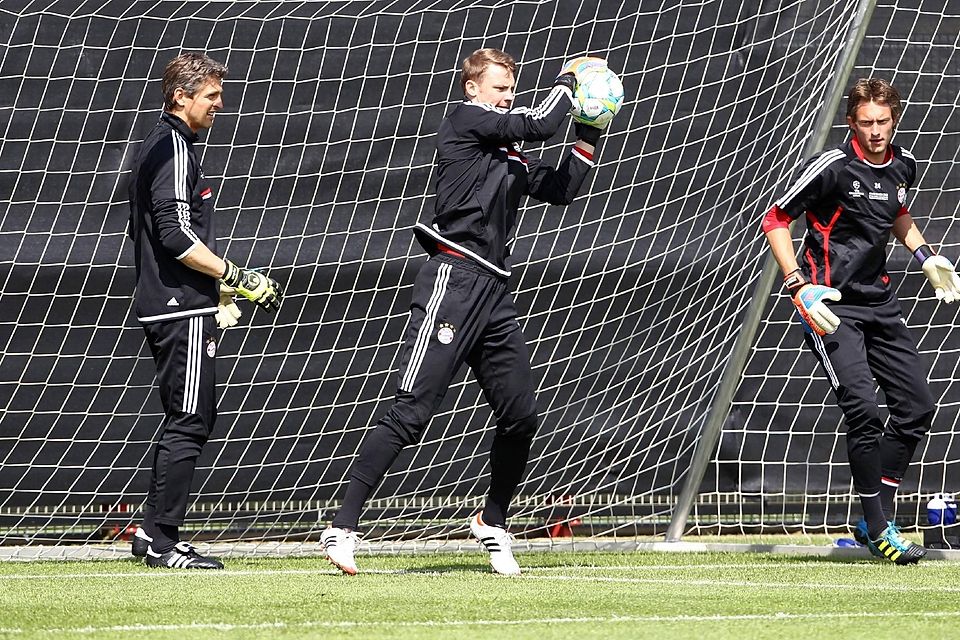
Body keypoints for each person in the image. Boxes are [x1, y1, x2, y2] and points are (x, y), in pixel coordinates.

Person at [320, 49, 614, 576]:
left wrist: (591, 131)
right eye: (499, 87)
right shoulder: (464, 120)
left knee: (521, 413)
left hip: (494, 292)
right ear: (474, 90)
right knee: (412, 410)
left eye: (510, 88)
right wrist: (573, 78)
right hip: (453, 278)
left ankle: (492, 521)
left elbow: (563, 188)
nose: (507, 96)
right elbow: (543, 122)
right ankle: (342, 526)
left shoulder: (508, 151)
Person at [762, 78, 960, 565]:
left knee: (916, 407)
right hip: (828, 305)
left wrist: (926, 254)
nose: (876, 131)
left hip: (880, 303)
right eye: (867, 122)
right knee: (864, 412)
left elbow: (897, 213)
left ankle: (875, 517)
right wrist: (797, 283)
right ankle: (880, 528)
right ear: (852, 122)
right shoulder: (832, 166)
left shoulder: (903, 164)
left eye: (884, 121)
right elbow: (775, 219)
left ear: (894, 120)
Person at [126, 52, 284, 569]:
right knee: (191, 419)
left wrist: (215, 289)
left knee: (185, 418)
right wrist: (234, 278)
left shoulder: (172, 144)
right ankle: (162, 541)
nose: (220, 103)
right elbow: (174, 234)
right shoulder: (171, 146)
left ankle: (154, 533)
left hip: (178, 301)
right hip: (178, 307)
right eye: (211, 95)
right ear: (181, 97)